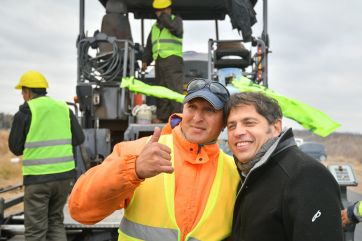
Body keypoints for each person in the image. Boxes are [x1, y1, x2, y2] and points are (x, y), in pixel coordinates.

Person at [68, 78, 240, 240]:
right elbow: (80, 209)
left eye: (209, 110)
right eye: (192, 107)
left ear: (224, 121)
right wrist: (133, 170)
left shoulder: (235, 172)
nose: (197, 118)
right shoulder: (137, 152)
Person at [226, 92, 343, 241]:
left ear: (276, 127)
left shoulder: (306, 175)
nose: (238, 132)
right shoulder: (248, 175)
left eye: (249, 123)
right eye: (231, 126)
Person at [8, 70, 85, 241]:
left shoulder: (26, 112)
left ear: (28, 91)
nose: (22, 95)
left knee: (36, 230)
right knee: (55, 222)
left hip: (38, 179)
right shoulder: (63, 109)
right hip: (64, 178)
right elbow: (79, 138)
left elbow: (15, 148)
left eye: (22, 91)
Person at [142, 0, 184, 123]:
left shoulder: (176, 20)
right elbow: (149, 45)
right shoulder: (154, 27)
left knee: (174, 88)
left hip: (173, 59)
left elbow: (174, 28)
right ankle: (163, 116)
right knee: (161, 89)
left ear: (169, 9)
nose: (160, 13)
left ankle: (177, 117)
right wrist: (145, 60)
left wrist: (164, 16)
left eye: (163, 10)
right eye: (159, 11)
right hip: (159, 61)